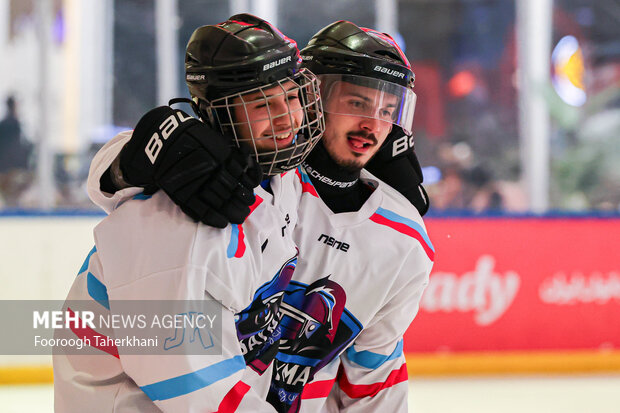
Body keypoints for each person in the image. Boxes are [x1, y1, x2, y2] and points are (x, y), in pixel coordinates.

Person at [87, 20, 434, 413]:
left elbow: (374, 376)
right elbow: (189, 377)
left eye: (388, 110)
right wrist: (139, 155)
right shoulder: (225, 187)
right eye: (355, 103)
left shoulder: (389, 230)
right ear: (316, 95)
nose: (373, 126)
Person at [53, 14, 324, 412]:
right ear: (216, 112)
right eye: (264, 103)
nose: (287, 117)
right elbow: (193, 386)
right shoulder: (178, 228)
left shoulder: (276, 180)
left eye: (292, 96)